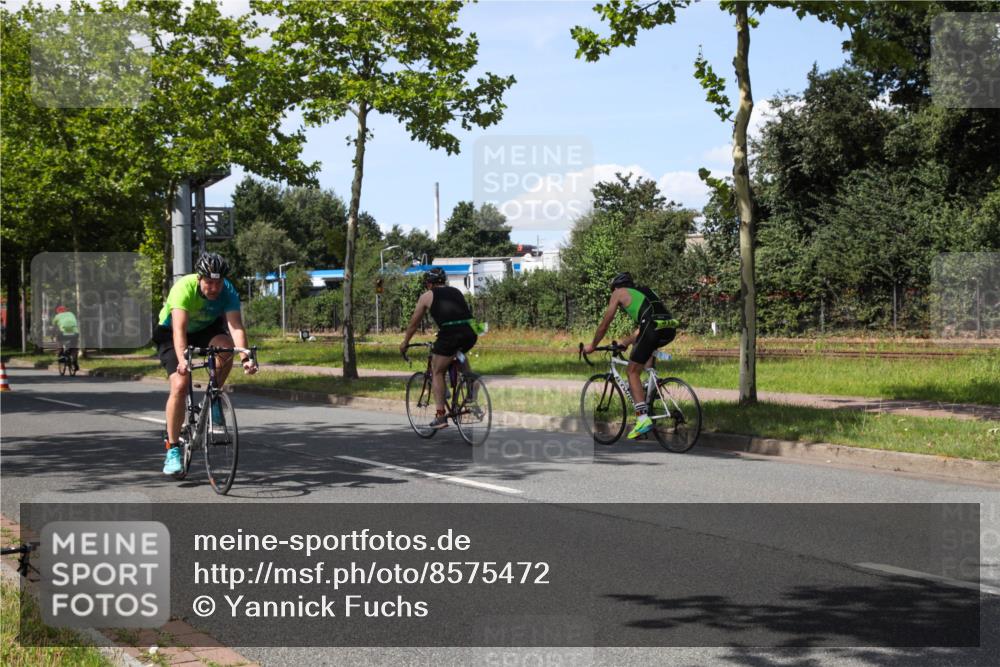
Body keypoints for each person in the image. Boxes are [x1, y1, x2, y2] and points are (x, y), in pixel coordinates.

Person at [153, 252, 257, 474]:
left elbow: (236, 327)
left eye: (218, 282)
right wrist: (183, 361)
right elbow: (179, 331)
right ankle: (172, 449)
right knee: (180, 384)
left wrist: (246, 358)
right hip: (172, 333)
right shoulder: (184, 288)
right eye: (209, 282)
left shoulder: (227, 290)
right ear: (199, 278)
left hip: (204, 330)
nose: (214, 288)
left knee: (226, 347)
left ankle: (214, 398)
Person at [583, 272, 678, 439]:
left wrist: (592, 346)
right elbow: (647, 324)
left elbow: (605, 324)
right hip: (669, 328)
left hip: (651, 329)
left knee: (632, 371)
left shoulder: (618, 293)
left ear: (617, 287)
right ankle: (650, 391)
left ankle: (642, 418)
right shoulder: (645, 291)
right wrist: (626, 342)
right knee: (644, 355)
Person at [399, 267, 478, 429]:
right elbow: (461, 314)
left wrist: (405, 342)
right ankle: (470, 388)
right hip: (471, 331)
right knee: (458, 353)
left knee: (437, 371)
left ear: (429, 283)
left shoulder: (426, 296)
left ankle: (441, 416)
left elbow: (414, 324)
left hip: (450, 333)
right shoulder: (456, 291)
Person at [52, 305, 80, 372]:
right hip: (74, 333)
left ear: (58, 312)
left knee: (59, 340)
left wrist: (52, 335)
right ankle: (74, 361)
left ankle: (60, 352)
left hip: (63, 333)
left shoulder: (57, 316)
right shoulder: (71, 314)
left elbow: (54, 327)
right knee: (74, 347)